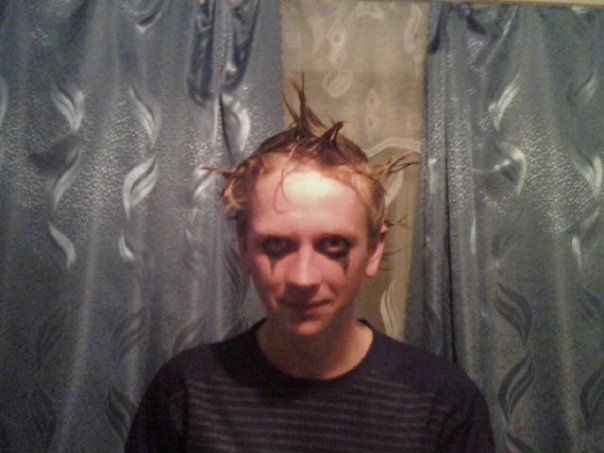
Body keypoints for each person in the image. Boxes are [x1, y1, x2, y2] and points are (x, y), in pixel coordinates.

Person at [125, 82, 495, 452]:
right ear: (243, 247)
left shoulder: (444, 404)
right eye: (276, 245)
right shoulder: (185, 392)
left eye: (333, 246)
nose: (303, 278)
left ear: (374, 250)